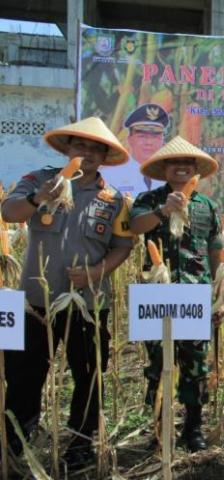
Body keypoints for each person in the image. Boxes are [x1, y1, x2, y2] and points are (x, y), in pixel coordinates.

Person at [1, 117, 133, 468]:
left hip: (88, 304)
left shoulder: (114, 199)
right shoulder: (38, 180)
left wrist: (95, 272)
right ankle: (16, 443)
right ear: (67, 149)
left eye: (95, 149)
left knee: (89, 377)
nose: (86, 153)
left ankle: (80, 446)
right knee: (23, 376)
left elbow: (123, 246)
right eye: (80, 145)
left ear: (104, 157)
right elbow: (9, 213)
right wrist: (38, 198)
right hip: (35, 303)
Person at [129, 136, 223, 451]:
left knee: (196, 364)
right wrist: (164, 210)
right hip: (157, 296)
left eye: (187, 163)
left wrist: (218, 296)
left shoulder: (207, 206)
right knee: (159, 364)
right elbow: (136, 227)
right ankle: (160, 429)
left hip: (196, 296)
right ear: (164, 168)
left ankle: (193, 428)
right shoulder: (148, 200)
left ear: (195, 169)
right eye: (174, 163)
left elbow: (216, 250)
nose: (181, 168)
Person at [101, 103, 169, 197]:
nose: (149, 142)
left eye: (155, 137)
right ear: (130, 139)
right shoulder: (109, 175)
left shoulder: (170, 175)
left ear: (162, 140)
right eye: (142, 136)